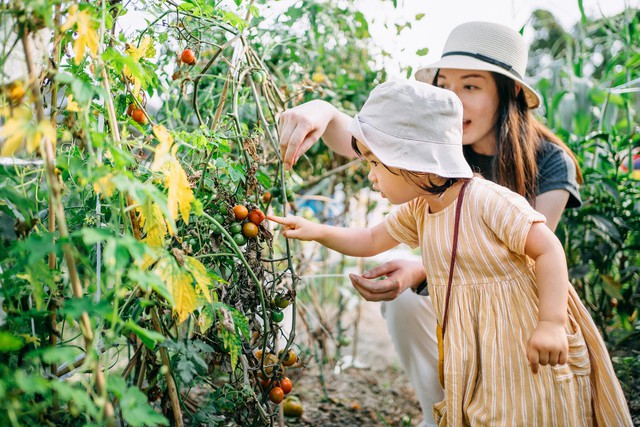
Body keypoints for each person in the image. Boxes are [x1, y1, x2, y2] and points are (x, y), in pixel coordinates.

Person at [269, 80, 632, 425]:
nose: (371, 176)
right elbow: (369, 239)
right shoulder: (421, 209)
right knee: (487, 406)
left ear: (411, 158)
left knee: (528, 405)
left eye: (374, 163)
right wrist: (316, 231)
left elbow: (548, 249)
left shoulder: (488, 199)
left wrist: (550, 324)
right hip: (478, 337)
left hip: (520, 330)